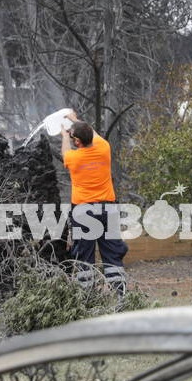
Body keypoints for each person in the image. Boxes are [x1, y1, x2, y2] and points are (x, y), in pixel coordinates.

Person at [61, 112, 127, 294]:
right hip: (108, 209)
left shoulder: (74, 158)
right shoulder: (104, 147)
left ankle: (88, 298)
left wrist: (64, 134)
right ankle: (121, 295)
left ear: (77, 142)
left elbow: (65, 152)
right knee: (112, 254)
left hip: (84, 211)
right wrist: (75, 120)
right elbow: (93, 133)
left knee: (84, 257)